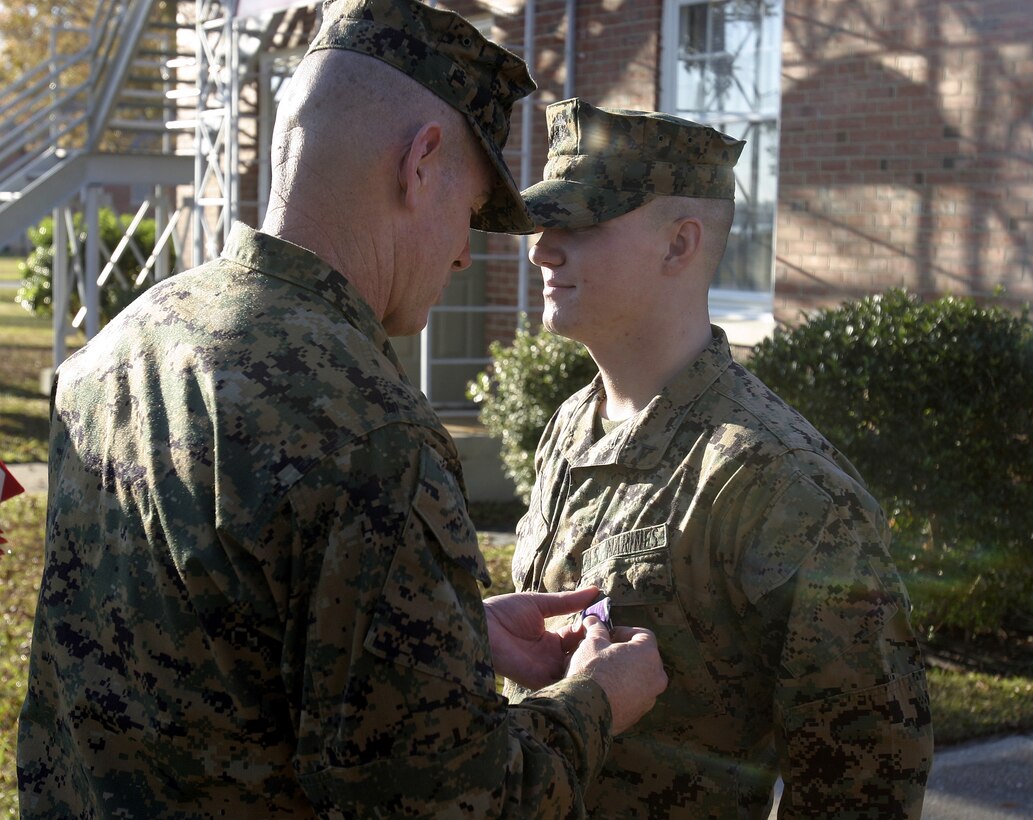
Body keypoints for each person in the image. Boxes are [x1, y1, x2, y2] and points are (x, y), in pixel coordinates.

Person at [17, 5, 668, 815]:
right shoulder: (369, 431)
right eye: (468, 213)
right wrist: (599, 699)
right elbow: (451, 801)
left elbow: (204, 639)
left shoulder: (121, 345)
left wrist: (445, 629)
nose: (466, 253)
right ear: (420, 163)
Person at [504, 98, 934, 818]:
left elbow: (863, 784)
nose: (540, 249)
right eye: (543, 224)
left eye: (576, 224)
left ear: (679, 246)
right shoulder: (571, 424)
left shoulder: (779, 484)